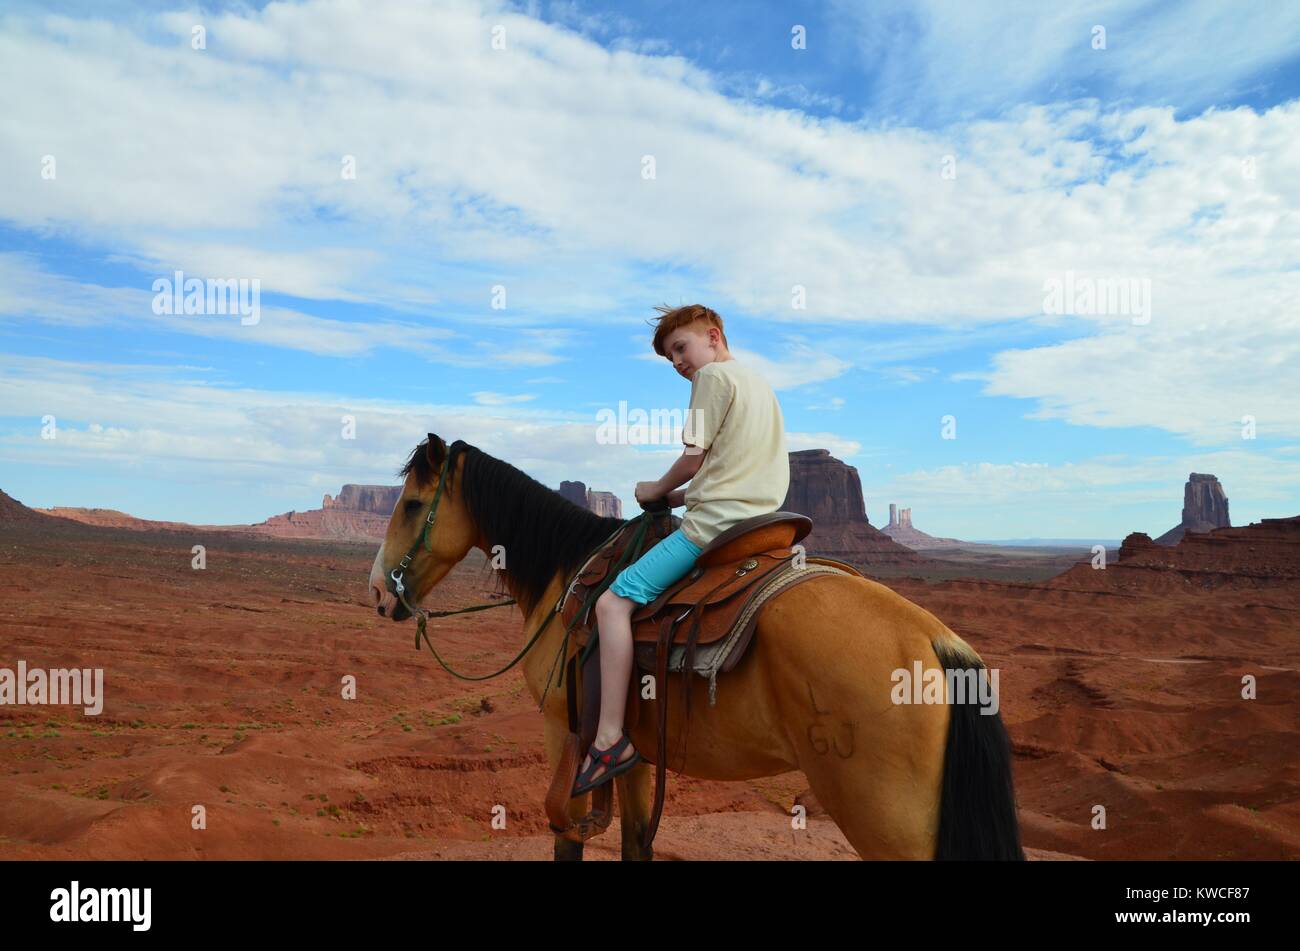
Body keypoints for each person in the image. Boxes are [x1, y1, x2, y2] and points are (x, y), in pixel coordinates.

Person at [572, 303, 791, 795]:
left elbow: (693, 460)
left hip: (714, 527)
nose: (677, 362)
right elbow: (728, 470)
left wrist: (654, 490)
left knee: (611, 603)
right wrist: (675, 499)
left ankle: (610, 739)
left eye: (680, 348)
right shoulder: (760, 385)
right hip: (763, 521)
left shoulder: (712, 380)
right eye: (669, 357)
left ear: (713, 337)